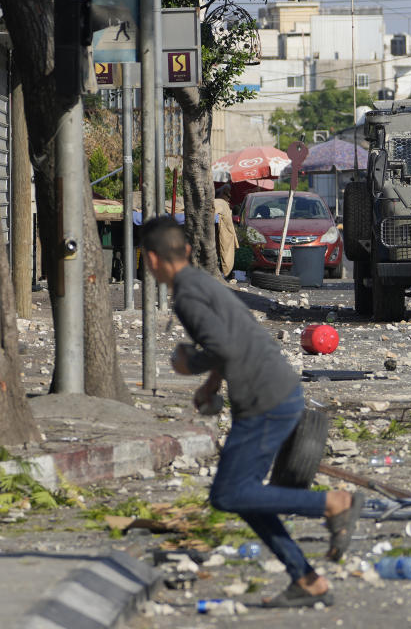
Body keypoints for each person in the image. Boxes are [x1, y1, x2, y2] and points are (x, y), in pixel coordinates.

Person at [141, 216, 363, 608]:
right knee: (243, 497)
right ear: (188, 252)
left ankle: (333, 504)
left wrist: (187, 363)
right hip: (275, 390)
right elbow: (235, 334)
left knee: (229, 494)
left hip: (265, 401)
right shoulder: (202, 282)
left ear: (152, 260)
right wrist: (211, 385)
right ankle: (307, 580)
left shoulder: (186, 297)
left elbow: (223, 347)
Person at [214, 185, 238, 278]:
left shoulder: (224, 204)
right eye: (228, 196)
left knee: (224, 249)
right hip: (220, 227)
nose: (228, 199)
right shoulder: (221, 203)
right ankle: (227, 271)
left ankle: (226, 271)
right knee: (225, 249)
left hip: (221, 226)